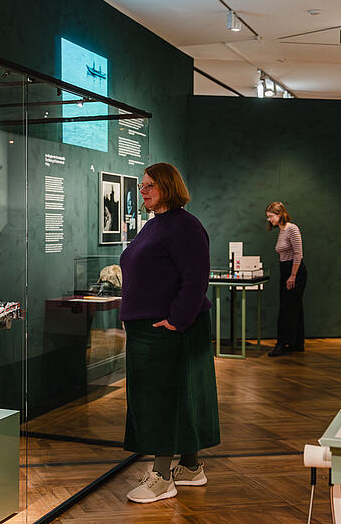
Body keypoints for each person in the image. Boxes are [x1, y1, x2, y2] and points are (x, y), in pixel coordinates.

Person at [119, 162, 220, 503]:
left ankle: (162, 477)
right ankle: (190, 467)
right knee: (167, 397)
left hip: (168, 331)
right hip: (150, 331)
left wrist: (177, 320)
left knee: (164, 399)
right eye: (142, 185)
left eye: (150, 185)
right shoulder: (157, 225)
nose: (143, 191)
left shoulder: (184, 226)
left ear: (168, 187)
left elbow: (195, 279)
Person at [265, 201, 307, 356]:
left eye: (271, 216)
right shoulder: (281, 230)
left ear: (279, 214)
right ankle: (296, 343)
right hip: (285, 270)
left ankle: (283, 343)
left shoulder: (292, 229)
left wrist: (293, 276)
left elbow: (298, 254)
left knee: (287, 309)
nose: (269, 220)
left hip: (294, 271)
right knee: (295, 308)